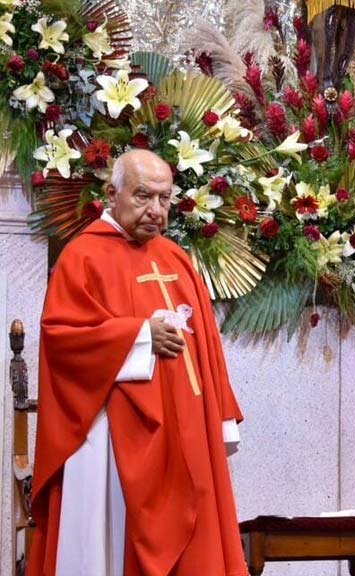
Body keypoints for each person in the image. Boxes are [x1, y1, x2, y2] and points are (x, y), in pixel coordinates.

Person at [29, 149, 248, 576]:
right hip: (111, 434)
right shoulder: (82, 257)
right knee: (110, 544)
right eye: (143, 196)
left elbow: (208, 348)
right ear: (112, 194)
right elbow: (62, 338)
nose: (155, 210)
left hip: (185, 433)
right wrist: (140, 335)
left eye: (165, 199)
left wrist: (218, 415)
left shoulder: (176, 259)